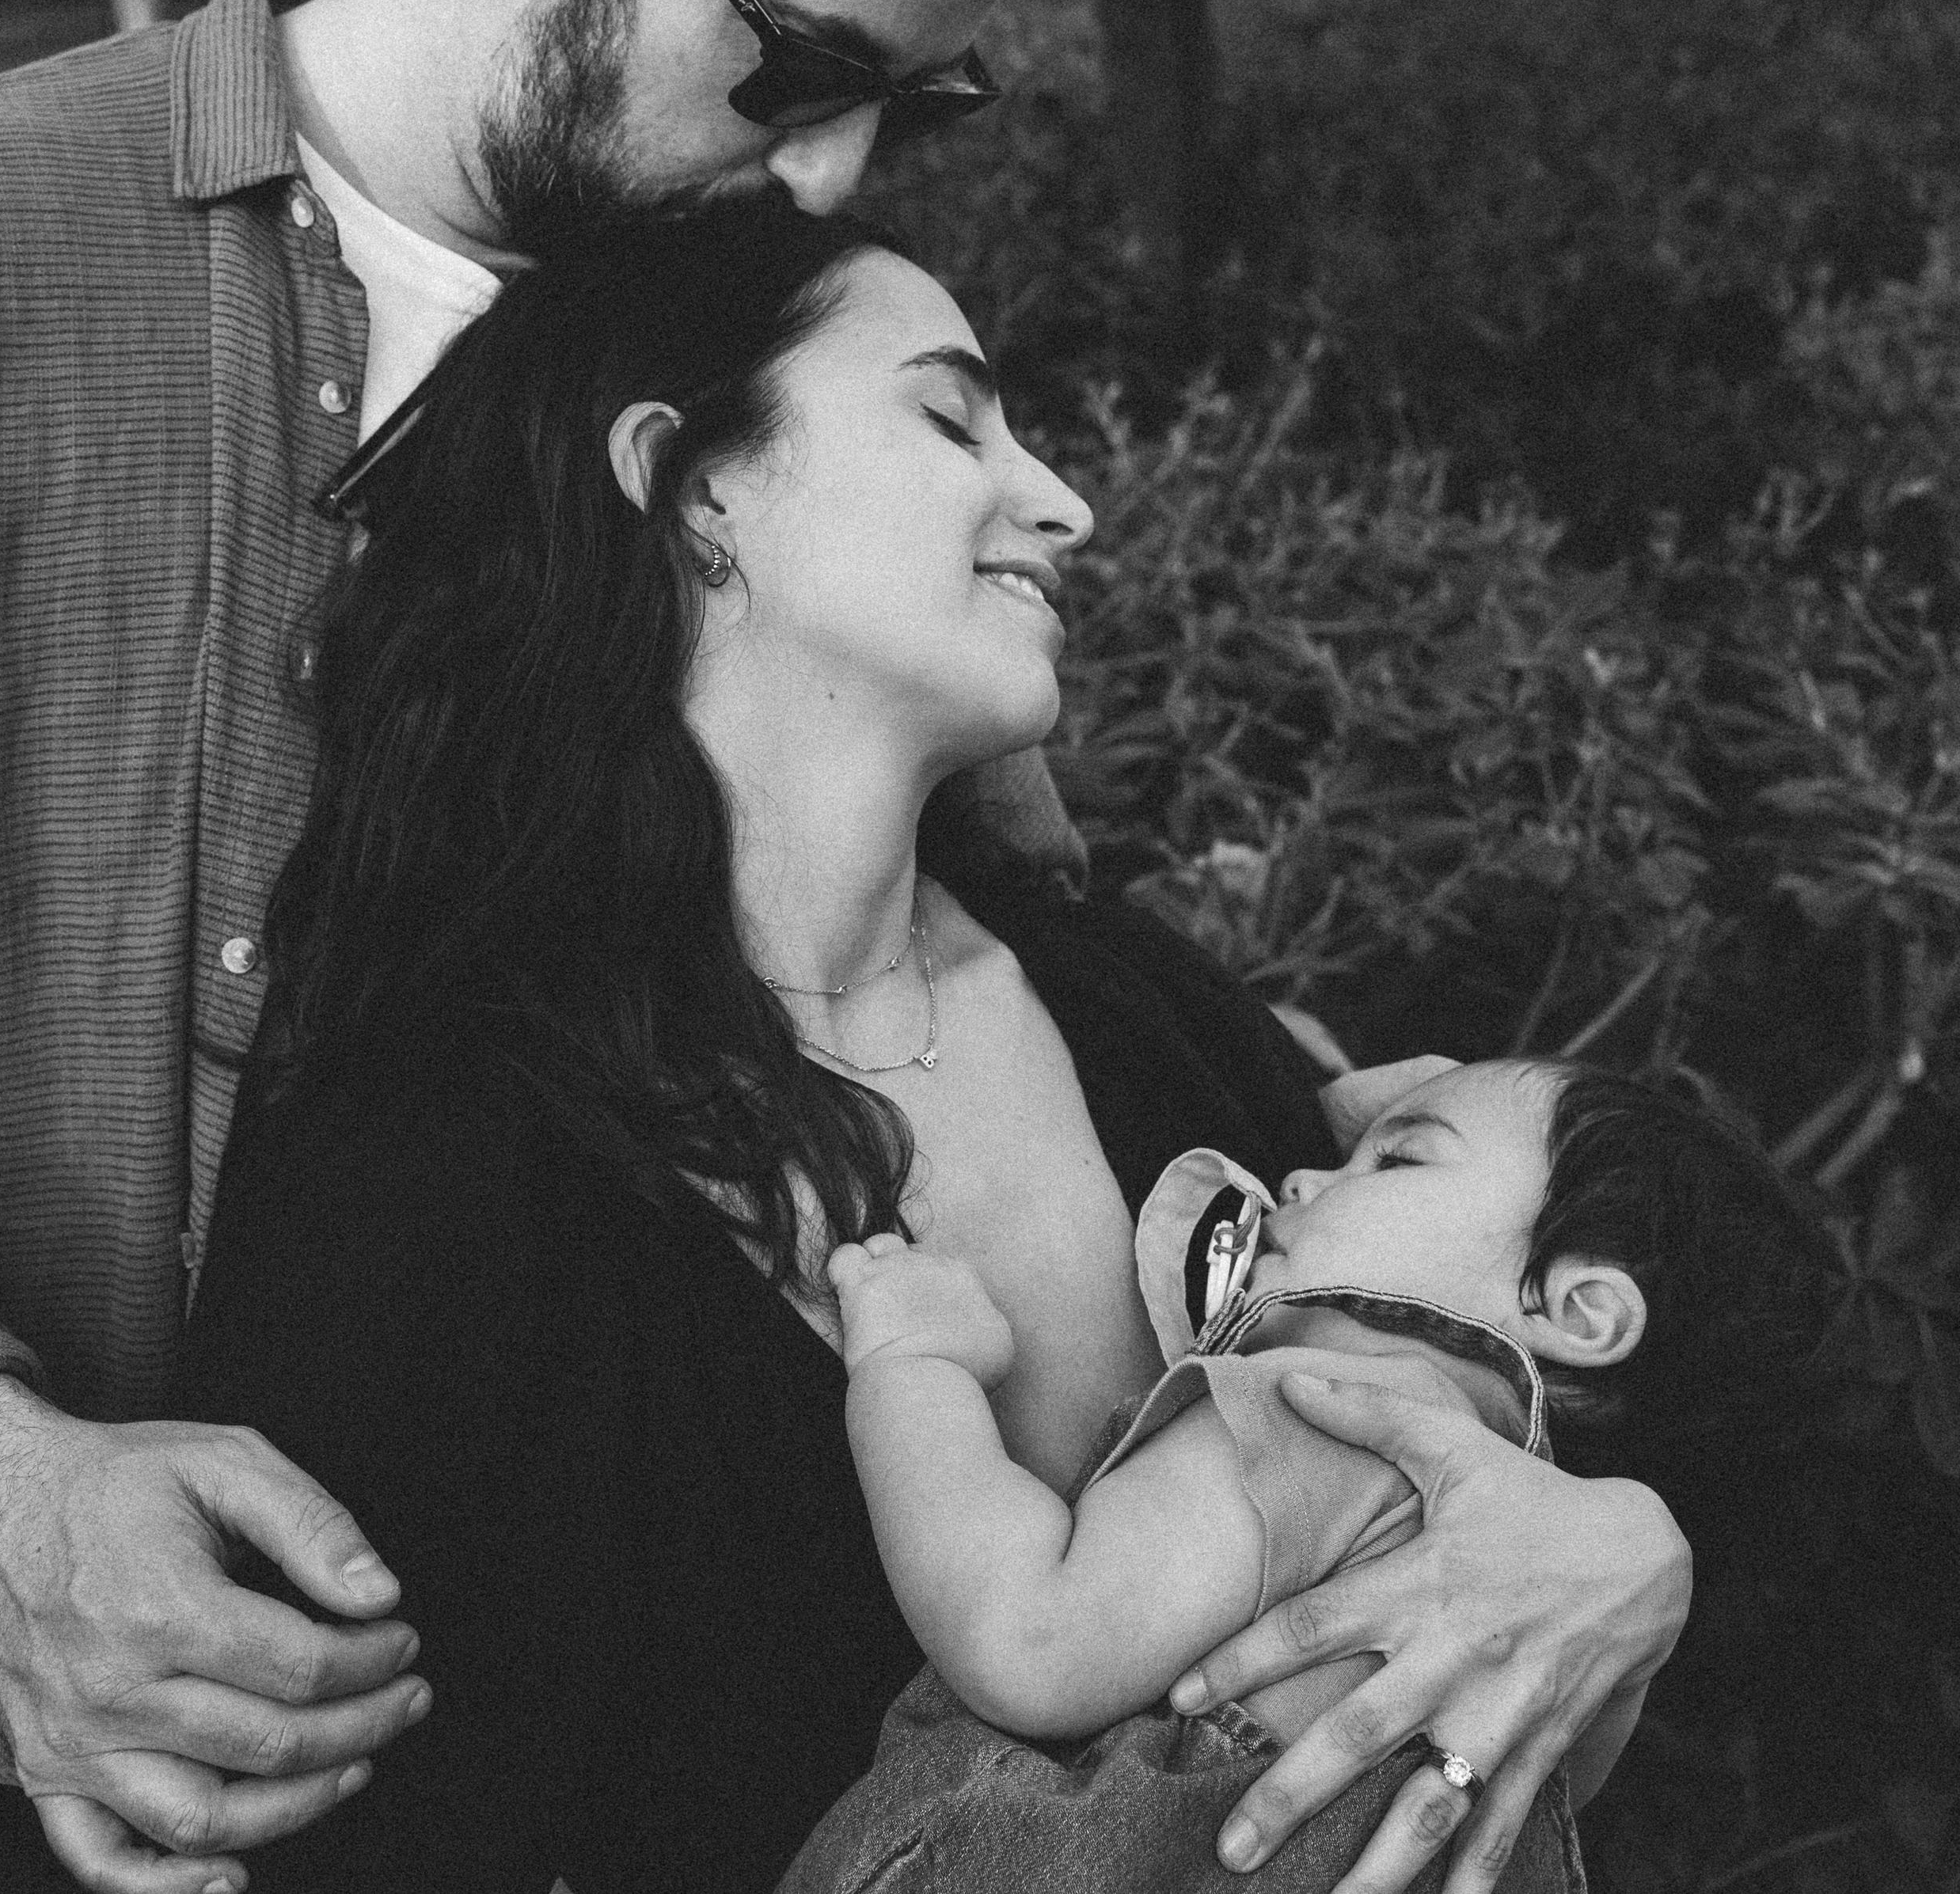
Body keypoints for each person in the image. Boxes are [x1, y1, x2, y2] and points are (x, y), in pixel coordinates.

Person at [0, 0, 1091, 1893]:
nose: (840, 170)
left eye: (920, 100)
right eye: (792, 61)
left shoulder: (789, 360)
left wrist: (1485, 1460)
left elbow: (1051, 1017)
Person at [101, 207, 1685, 1894]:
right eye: (950, 419)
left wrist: (1623, 1550)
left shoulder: (1142, 1019)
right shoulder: (434, 1155)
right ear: (694, 485)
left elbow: (1551, 1350)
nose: (1061, 503)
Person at [785, 1056, 1834, 1892]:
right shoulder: (1576, 1651)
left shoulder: (1334, 1409)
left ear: (1578, 1311)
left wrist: (913, 1367)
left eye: (1397, 1162)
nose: (1297, 1175)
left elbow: (1027, 1639)